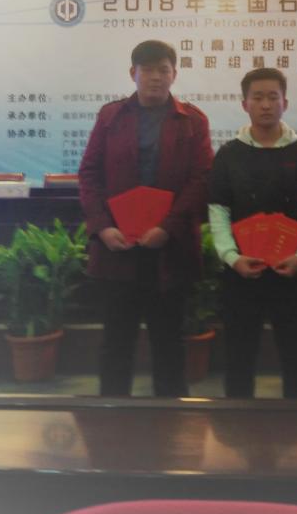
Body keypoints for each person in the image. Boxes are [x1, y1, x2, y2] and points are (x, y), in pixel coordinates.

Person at [78, 40, 213, 397]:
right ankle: (112, 416)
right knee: (116, 341)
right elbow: (89, 174)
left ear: (174, 74)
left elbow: (201, 179)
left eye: (163, 70)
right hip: (118, 247)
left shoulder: (192, 120)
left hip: (169, 250)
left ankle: (173, 419)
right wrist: (102, 227)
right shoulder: (111, 116)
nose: (155, 77)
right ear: (132, 73)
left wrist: (167, 228)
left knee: (169, 342)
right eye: (148, 70)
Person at [208, 68, 297, 399]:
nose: (266, 105)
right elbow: (218, 209)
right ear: (244, 104)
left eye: (273, 97)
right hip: (243, 272)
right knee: (239, 356)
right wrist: (231, 257)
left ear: (285, 102)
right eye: (257, 97)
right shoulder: (229, 154)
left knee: (296, 354)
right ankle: (238, 422)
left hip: (291, 271)